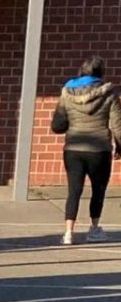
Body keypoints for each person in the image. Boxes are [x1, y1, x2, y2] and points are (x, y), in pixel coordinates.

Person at [50, 55, 121, 245]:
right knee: (98, 190)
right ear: (101, 72)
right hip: (99, 149)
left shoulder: (66, 93)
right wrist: (119, 147)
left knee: (74, 190)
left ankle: (68, 233)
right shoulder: (110, 95)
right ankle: (94, 229)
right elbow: (117, 126)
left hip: (73, 148)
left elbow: (57, 125)